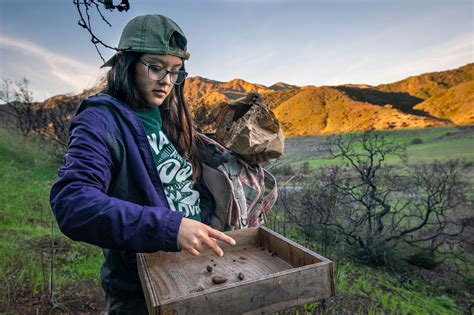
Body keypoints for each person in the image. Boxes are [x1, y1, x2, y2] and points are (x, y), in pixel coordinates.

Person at [49, 14, 270, 314]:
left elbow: (177, 174)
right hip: (144, 287)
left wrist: (239, 159)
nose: (166, 81)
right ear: (127, 64)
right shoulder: (99, 120)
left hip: (197, 268)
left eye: (175, 71)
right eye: (155, 67)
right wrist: (171, 227)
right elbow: (73, 203)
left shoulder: (168, 113)